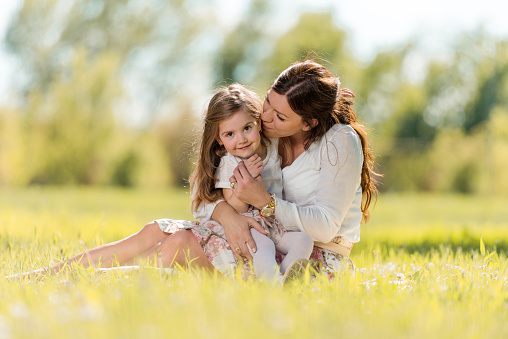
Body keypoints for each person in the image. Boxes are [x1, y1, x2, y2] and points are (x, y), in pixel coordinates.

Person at [11, 59, 377, 281]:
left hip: (311, 257)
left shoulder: (339, 142)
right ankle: (50, 275)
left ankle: (78, 283)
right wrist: (227, 215)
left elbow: (326, 225)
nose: (265, 117)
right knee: (158, 231)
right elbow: (205, 198)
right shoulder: (264, 133)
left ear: (309, 122)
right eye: (267, 102)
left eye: (279, 116)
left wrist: (263, 203)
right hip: (263, 233)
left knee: (178, 249)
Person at [156, 84, 314, 281]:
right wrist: (247, 178)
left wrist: (322, 102)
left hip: (275, 222)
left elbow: (295, 113)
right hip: (249, 224)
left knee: (304, 241)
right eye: (230, 134)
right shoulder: (229, 162)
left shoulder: (272, 147)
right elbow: (237, 207)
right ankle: (273, 283)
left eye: (247, 128)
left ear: (258, 122)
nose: (241, 140)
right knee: (264, 247)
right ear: (219, 139)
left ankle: (287, 275)